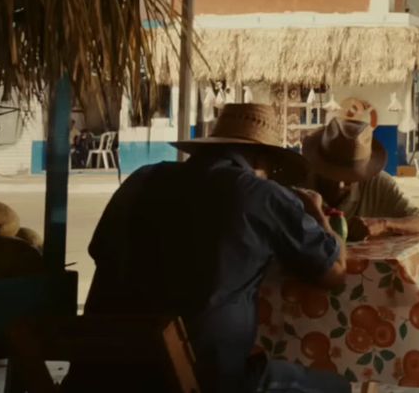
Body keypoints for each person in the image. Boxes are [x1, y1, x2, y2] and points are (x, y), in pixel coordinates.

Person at [74, 104, 347, 393]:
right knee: (337, 386)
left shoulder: (141, 179)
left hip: (101, 371)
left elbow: (99, 249)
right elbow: (334, 273)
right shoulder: (261, 195)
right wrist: (317, 214)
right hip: (202, 379)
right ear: (260, 158)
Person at [291, 112, 419, 242]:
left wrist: (384, 225)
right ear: (318, 164)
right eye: (331, 174)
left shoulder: (378, 184)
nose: (340, 184)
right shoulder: (295, 182)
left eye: (349, 178)